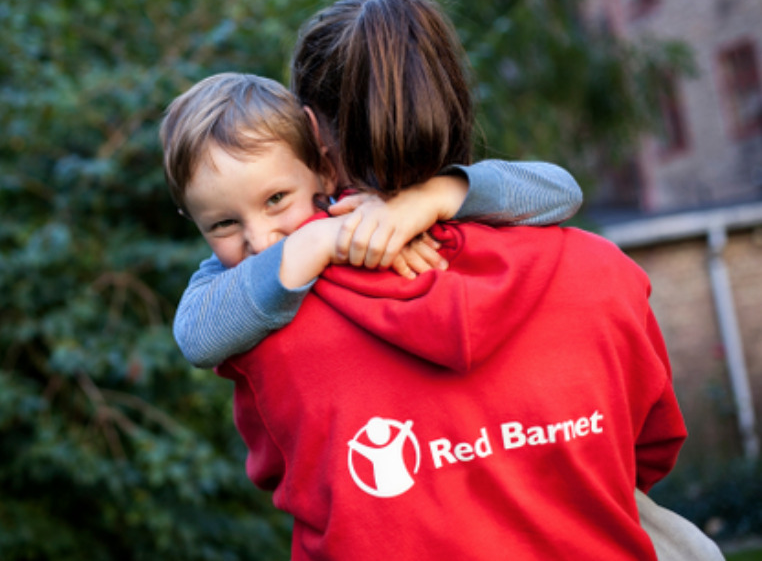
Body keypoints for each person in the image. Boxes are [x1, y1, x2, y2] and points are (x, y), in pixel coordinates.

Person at [197, 0, 700, 559]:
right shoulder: (605, 273)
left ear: (312, 135)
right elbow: (649, 449)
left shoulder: (267, 325)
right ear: (453, 99)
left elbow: (283, 475)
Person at [162, 74, 583, 369]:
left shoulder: (369, 206)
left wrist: (431, 197)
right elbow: (198, 339)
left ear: (323, 170)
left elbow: (560, 192)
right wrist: (320, 242)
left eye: (275, 199)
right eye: (223, 225)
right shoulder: (225, 280)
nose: (259, 238)